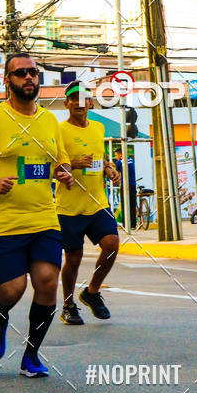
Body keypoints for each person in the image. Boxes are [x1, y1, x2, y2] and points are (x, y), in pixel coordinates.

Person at [0, 52, 73, 377]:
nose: (29, 78)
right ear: (7, 80)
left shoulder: (49, 120)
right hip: (4, 224)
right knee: (13, 289)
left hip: (44, 219)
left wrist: (64, 173)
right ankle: (0, 315)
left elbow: (59, 160)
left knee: (48, 283)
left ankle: (31, 355)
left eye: (33, 72)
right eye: (21, 73)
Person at [55, 82, 121, 325]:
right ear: (66, 104)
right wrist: (73, 164)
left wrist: (110, 169)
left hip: (97, 202)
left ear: (91, 103)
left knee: (112, 244)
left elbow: (100, 159)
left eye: (84, 98)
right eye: (74, 99)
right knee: (73, 258)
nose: (79, 103)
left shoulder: (98, 127)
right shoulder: (59, 130)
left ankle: (92, 292)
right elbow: (52, 166)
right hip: (69, 206)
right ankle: (69, 305)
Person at [114, 146, 137, 229]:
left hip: (125, 185)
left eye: (116, 155)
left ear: (120, 155)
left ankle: (125, 224)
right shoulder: (131, 160)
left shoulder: (119, 162)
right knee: (132, 204)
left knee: (124, 205)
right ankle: (133, 225)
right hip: (133, 185)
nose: (116, 157)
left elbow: (116, 174)